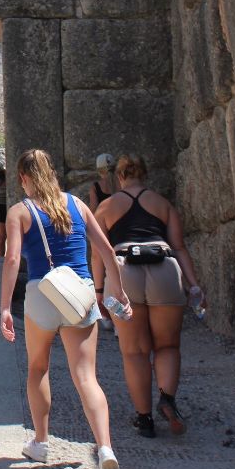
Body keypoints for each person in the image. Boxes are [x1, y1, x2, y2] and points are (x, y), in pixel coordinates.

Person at [0, 148, 132, 469]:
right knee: (86, 375)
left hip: (42, 293)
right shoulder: (77, 204)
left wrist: (2, 306)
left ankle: (41, 442)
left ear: (24, 178)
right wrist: (116, 291)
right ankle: (104, 449)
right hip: (80, 293)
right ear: (53, 173)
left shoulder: (20, 211)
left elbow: (13, 259)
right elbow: (106, 251)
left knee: (38, 367)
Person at [93, 154, 204, 438]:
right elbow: (179, 246)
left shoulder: (106, 206)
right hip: (165, 266)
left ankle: (144, 419)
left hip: (124, 271)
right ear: (145, 174)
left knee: (134, 352)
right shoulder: (162, 203)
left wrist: (99, 290)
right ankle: (167, 399)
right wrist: (193, 284)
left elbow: (97, 253)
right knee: (167, 346)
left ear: (118, 177)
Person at [89, 154, 117, 332]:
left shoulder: (96, 187)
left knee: (103, 271)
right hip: (120, 232)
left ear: (99, 170)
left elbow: (94, 210)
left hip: (103, 230)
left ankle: (108, 313)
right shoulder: (121, 185)